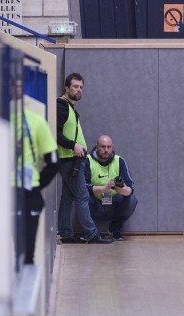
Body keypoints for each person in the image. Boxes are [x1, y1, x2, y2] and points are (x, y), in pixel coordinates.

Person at [56, 73, 113, 244]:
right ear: (66, 88)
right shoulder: (62, 107)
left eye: (81, 87)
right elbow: (55, 134)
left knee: (67, 198)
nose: (79, 90)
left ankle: (65, 233)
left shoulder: (70, 107)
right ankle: (91, 233)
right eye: (75, 86)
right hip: (69, 159)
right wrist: (73, 145)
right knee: (82, 197)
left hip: (71, 160)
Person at [11, 78, 59, 264]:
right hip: (20, 189)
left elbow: (53, 162)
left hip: (24, 188)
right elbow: (53, 162)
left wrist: (37, 184)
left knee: (23, 243)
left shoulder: (35, 122)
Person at [85, 135, 138, 240]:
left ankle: (115, 229)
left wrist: (119, 189)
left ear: (112, 147)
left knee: (131, 200)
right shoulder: (87, 160)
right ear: (96, 147)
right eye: (103, 147)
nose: (106, 150)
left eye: (109, 147)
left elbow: (130, 188)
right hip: (94, 203)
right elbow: (83, 187)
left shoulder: (120, 161)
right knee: (81, 198)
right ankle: (90, 232)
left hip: (112, 202)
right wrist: (104, 188)